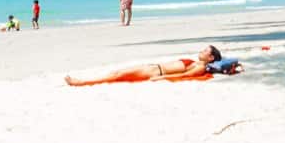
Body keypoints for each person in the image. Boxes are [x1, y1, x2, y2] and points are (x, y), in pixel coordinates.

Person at [65, 45, 234, 86]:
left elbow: (184, 76)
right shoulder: (197, 62)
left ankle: (80, 82)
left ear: (210, 57)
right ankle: (85, 80)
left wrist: (162, 77)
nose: (201, 51)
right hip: (152, 67)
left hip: (154, 71)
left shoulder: (201, 67)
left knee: (116, 77)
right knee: (116, 73)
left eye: (205, 51)